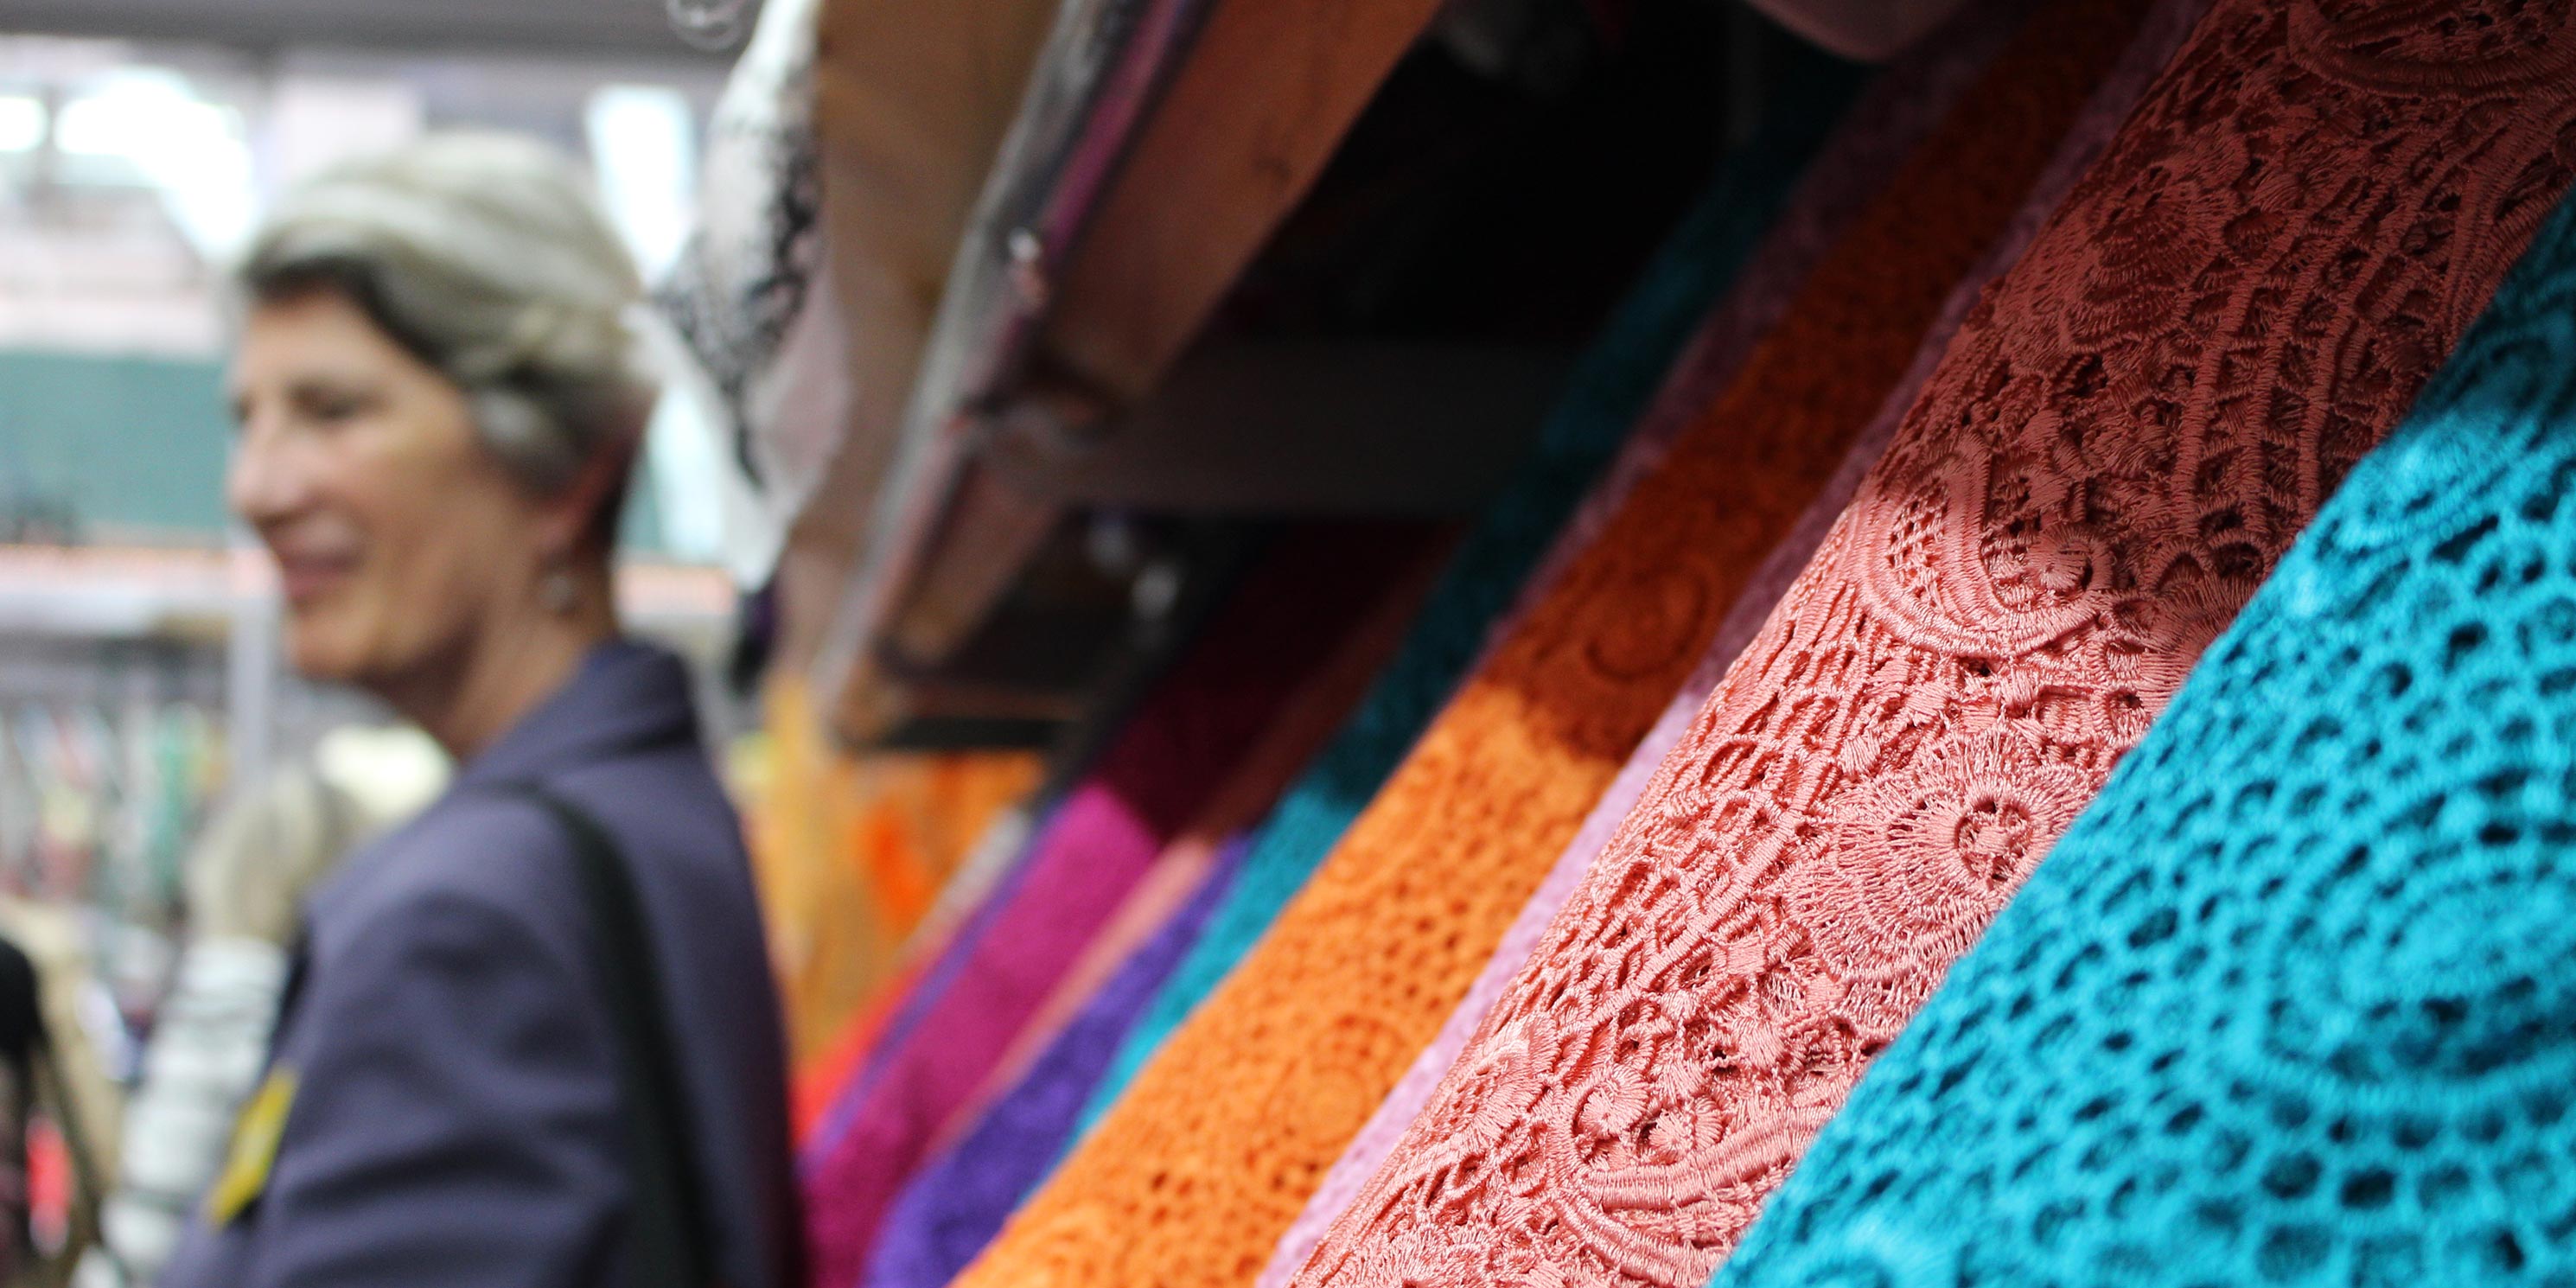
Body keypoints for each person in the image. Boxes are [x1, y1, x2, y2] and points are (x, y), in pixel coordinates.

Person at [159, 134, 799, 1288]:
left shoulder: (462, 924)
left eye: (334, 410)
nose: (256, 487)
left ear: (566, 467)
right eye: (248, 419)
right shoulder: (642, 810)